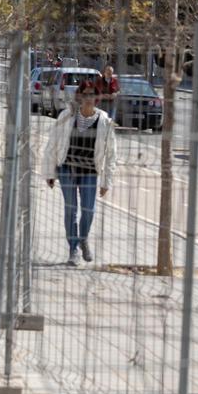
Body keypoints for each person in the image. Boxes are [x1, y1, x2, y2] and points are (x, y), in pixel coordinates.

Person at [42, 80, 117, 266]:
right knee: (70, 210)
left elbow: (111, 154)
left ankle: (83, 238)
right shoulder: (66, 117)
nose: (89, 98)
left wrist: (106, 182)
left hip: (90, 172)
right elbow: (53, 144)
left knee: (88, 210)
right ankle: (73, 250)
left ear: (97, 97)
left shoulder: (104, 122)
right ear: (80, 96)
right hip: (67, 169)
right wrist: (49, 172)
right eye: (86, 94)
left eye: (93, 94)